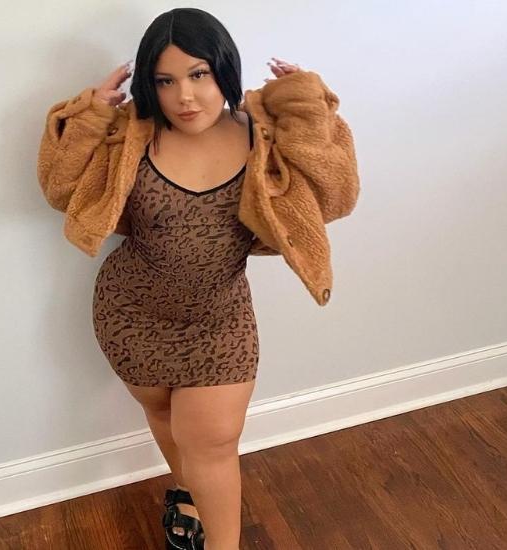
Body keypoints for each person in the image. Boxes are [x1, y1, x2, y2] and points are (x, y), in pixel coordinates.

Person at [38, 8, 359, 549]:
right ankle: (184, 492)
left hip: (219, 318)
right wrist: (91, 116)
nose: (184, 96)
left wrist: (305, 109)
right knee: (162, 411)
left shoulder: (266, 135)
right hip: (130, 312)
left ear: (223, 70)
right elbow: (60, 189)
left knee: (212, 444)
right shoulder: (130, 134)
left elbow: (335, 196)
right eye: (165, 80)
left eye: (199, 74)